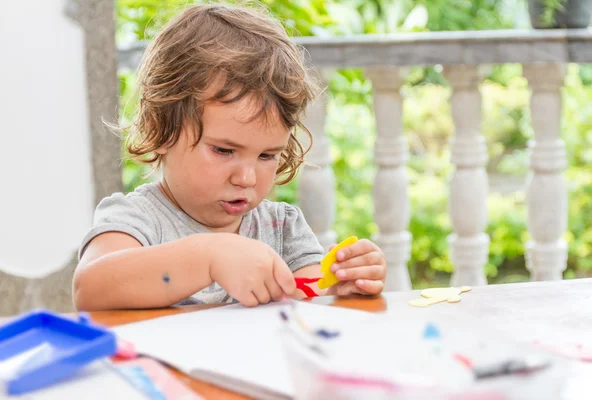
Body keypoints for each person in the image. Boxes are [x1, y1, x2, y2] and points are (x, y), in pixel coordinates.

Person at [73, 3, 386, 311]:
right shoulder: (136, 220)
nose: (246, 178)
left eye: (267, 155)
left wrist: (342, 285)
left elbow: (308, 300)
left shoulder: (281, 228)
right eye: (224, 150)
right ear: (163, 130)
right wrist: (208, 256)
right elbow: (90, 289)